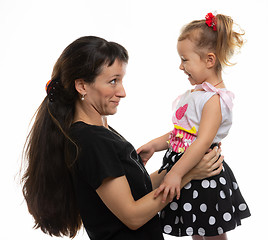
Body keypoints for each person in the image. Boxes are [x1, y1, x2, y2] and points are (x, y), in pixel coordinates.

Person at [21, 36, 224, 240]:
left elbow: (137, 192)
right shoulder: (90, 141)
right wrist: (186, 176)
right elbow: (132, 216)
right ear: (82, 86)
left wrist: (183, 169)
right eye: (113, 81)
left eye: (121, 80)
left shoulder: (101, 131)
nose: (122, 92)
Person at [137, 12, 251, 239]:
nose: (181, 66)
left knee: (212, 232)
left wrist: (175, 174)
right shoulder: (197, 93)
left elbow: (202, 142)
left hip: (203, 173)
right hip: (187, 170)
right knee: (196, 229)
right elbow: (182, 134)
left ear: (209, 60)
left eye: (185, 59)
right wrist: (155, 144)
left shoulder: (214, 99)